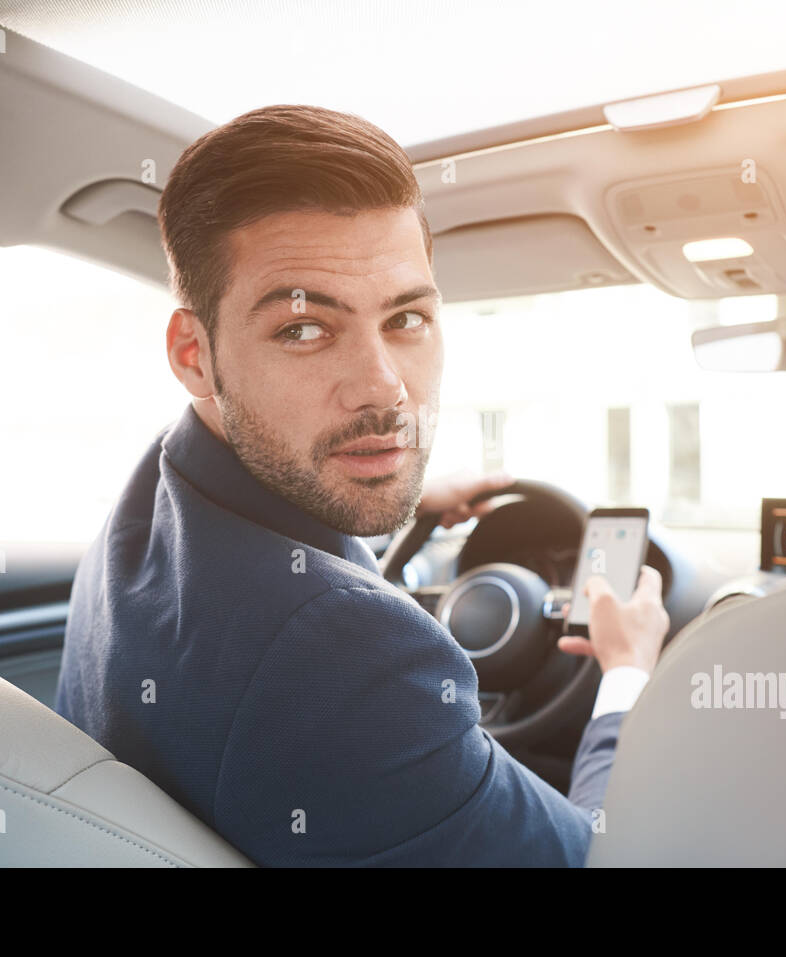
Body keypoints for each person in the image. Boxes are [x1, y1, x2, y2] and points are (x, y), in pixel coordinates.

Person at [54, 104, 669, 866]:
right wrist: (626, 677)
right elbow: (602, 858)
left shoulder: (152, 498)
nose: (384, 393)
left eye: (406, 318)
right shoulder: (352, 660)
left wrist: (388, 505)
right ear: (193, 354)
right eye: (304, 329)